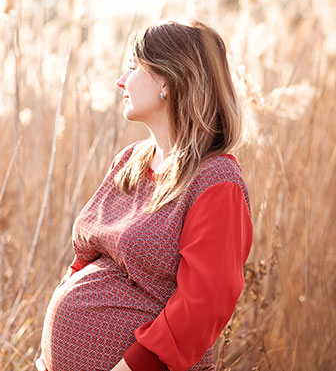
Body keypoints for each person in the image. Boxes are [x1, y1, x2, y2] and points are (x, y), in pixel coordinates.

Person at [35, 19, 253, 371]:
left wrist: (134, 367)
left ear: (168, 80)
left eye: (134, 67)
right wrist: (50, 350)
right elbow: (86, 258)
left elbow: (205, 303)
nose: (121, 79)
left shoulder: (216, 180)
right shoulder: (131, 160)